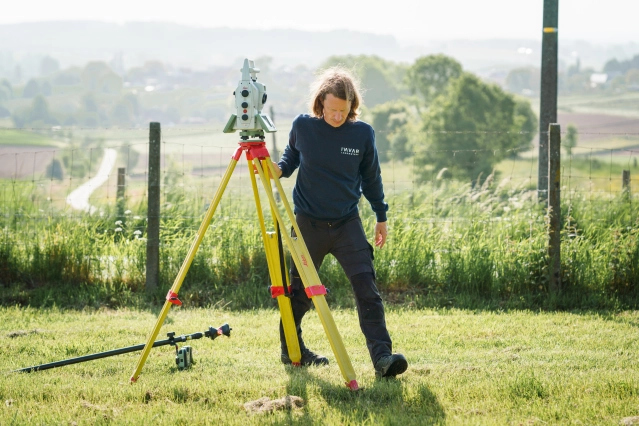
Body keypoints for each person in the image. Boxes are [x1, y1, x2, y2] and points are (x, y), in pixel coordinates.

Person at [272, 66, 408, 379]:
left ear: (352, 107)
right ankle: (292, 350)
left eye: (343, 111)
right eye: (332, 110)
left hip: (348, 223)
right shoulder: (303, 126)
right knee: (300, 292)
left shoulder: (362, 133)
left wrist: (381, 216)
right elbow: (292, 155)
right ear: (320, 104)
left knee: (366, 287)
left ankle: (382, 358)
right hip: (308, 224)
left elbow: (371, 177)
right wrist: (280, 168)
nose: (337, 117)